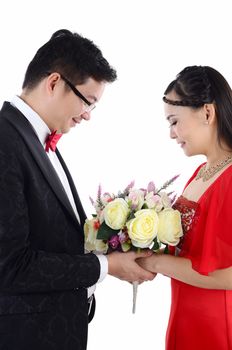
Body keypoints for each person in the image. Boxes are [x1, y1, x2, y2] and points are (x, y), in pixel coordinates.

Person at [0, 29, 155, 350]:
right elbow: (10, 266)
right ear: (54, 83)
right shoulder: (5, 139)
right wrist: (106, 266)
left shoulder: (37, 138)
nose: (87, 115)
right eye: (88, 102)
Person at [138, 65, 232, 350]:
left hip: (216, 324)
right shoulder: (201, 172)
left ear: (207, 112)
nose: (171, 133)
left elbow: (227, 275)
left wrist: (154, 263)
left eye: (174, 121)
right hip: (185, 315)